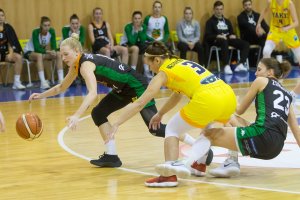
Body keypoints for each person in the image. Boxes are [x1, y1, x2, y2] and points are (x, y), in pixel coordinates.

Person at [28, 34, 195, 168]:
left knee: (155, 129)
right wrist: (40, 95)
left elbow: (92, 93)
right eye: (61, 54)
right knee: (98, 113)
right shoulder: (76, 65)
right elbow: (60, 87)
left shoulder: (85, 65)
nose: (63, 58)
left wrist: (77, 115)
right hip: (122, 89)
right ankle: (111, 155)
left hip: (136, 85)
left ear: (77, 52)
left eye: (66, 54)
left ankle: (194, 144)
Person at [109, 41, 237, 187]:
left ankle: (169, 175)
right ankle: (215, 163)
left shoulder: (164, 73)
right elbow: (178, 94)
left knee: (172, 129)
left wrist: (117, 123)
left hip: (208, 98)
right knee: (208, 130)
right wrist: (160, 114)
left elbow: (140, 103)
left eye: (149, 65)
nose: (150, 69)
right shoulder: (179, 62)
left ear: (157, 60)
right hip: (227, 94)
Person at [174, 58, 300, 179]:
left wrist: (232, 101)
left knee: (208, 134)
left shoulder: (261, 81)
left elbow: (240, 110)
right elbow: (296, 131)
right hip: (276, 148)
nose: (256, 73)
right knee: (229, 117)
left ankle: (187, 164)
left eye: (259, 69)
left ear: (270, 72)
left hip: (261, 136)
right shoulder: (287, 95)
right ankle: (229, 161)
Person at [256, 0, 300, 105]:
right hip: (275, 30)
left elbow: (296, 22)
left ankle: (294, 94)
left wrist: (286, 28)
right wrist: (258, 23)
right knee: (266, 51)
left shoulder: (289, 3)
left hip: (288, 30)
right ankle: (268, 80)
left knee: (299, 56)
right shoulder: (270, 2)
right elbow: (265, 11)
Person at [204, 1, 250, 74]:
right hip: (217, 40)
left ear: (223, 9)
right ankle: (226, 66)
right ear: (214, 10)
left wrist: (233, 35)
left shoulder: (227, 21)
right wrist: (217, 35)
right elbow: (207, 36)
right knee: (223, 41)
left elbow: (231, 32)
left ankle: (241, 63)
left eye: (221, 9)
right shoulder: (210, 22)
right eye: (217, 9)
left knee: (245, 44)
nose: (219, 11)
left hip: (228, 39)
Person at [24, 16, 64, 89]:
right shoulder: (35, 32)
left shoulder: (51, 31)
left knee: (58, 54)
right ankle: (43, 82)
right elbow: (36, 48)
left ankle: (61, 80)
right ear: (41, 25)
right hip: (30, 52)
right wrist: (48, 51)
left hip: (42, 53)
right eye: (45, 25)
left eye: (48, 25)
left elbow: (54, 45)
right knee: (39, 55)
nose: (47, 27)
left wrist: (54, 51)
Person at [237, 0, 269, 67]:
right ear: (243, 6)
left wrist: (271, 33)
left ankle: (262, 63)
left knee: (266, 41)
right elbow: (248, 26)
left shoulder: (257, 15)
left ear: (251, 5)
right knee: (262, 36)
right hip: (246, 38)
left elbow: (265, 26)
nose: (248, 7)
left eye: (249, 4)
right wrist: (257, 30)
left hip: (257, 37)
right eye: (246, 5)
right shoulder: (240, 17)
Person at [143, 1, 170, 78]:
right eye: (155, 7)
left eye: (159, 7)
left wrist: (163, 41)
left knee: (167, 50)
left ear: (161, 9)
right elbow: (143, 32)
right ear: (153, 8)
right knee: (146, 50)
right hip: (149, 41)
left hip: (160, 41)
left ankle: (164, 70)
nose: (157, 9)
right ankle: (147, 71)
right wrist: (151, 39)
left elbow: (167, 32)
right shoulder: (148, 18)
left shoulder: (164, 19)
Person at [0, 8, 26, 89]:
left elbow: (11, 42)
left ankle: (16, 82)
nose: (0, 17)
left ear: (4, 17)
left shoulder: (8, 27)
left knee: (18, 57)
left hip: (6, 53)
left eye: (2, 15)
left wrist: (11, 53)